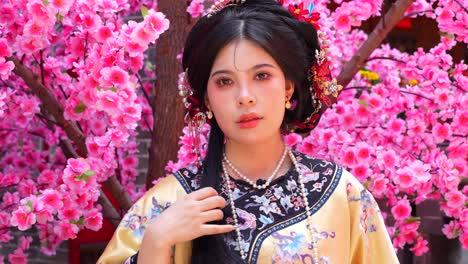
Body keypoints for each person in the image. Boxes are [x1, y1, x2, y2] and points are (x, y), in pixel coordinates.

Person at [98, 0, 399, 263]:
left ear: (288, 87)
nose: (245, 96)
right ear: (207, 100)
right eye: (225, 82)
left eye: (262, 75)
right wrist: (156, 242)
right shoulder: (171, 202)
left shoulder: (341, 195)